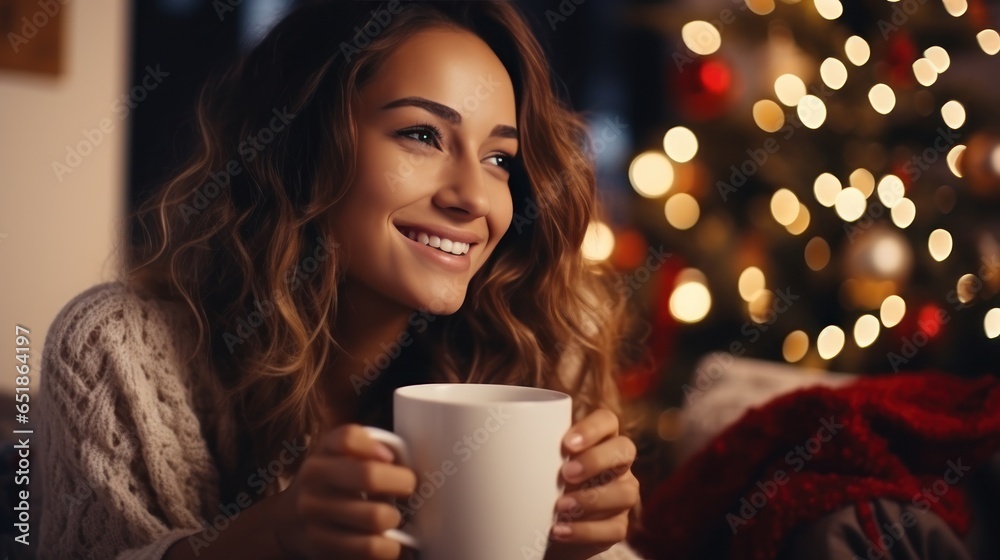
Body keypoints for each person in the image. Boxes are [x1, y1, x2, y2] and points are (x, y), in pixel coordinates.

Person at [37, 1, 643, 559]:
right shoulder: (118, 350)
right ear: (301, 143)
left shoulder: (533, 352)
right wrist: (269, 539)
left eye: (498, 159)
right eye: (422, 135)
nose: (473, 198)